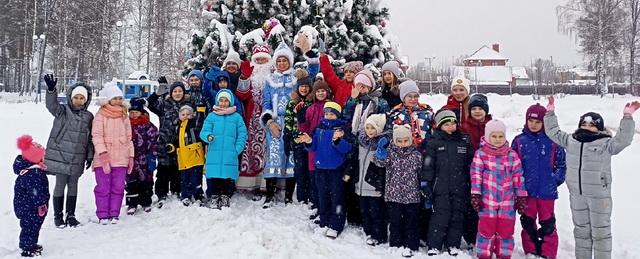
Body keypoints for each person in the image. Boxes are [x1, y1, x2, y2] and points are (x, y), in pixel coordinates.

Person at [543, 97, 639, 259]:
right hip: (577, 195)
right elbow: (553, 132)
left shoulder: (606, 143)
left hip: (599, 196)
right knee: (581, 231)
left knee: (601, 232)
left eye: (592, 125)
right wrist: (550, 113)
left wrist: (627, 118)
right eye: (584, 124)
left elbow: (624, 139)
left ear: (599, 128)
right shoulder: (571, 140)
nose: (587, 127)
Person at [260, 42, 318, 208]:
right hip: (275, 124)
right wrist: (269, 121)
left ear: (290, 62)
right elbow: (266, 102)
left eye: (285, 61)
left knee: (292, 157)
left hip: (294, 122)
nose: (281, 64)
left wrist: (310, 53)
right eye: (279, 61)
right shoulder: (270, 80)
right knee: (274, 156)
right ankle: (270, 196)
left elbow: (312, 74)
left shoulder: (296, 78)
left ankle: (288, 196)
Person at [512, 103, 566, 259]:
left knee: (548, 223)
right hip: (526, 192)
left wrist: (554, 180)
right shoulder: (520, 141)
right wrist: (518, 184)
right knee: (528, 222)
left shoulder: (553, 141)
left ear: (544, 123)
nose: (534, 125)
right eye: (531, 121)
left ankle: (548, 252)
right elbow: (513, 165)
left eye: (537, 122)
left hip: (546, 192)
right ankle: (531, 250)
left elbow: (562, 164)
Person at [470, 119, 527, 259]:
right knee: (486, 230)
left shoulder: (511, 154)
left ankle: (504, 254)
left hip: (507, 201)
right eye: (494, 136)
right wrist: (476, 194)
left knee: (506, 230)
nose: (497, 140)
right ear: (488, 136)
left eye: (500, 136)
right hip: (487, 200)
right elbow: (476, 175)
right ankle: (484, 254)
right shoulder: (481, 154)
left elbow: (518, 176)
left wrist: (521, 196)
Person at [43, 74, 94, 228]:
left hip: (77, 157)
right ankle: (58, 217)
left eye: (81, 98)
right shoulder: (62, 111)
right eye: (76, 97)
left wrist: (90, 156)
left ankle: (70, 215)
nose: (78, 100)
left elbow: (91, 138)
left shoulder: (89, 117)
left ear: (86, 100)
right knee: (60, 185)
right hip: (60, 155)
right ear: (71, 98)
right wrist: (51, 90)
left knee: (73, 186)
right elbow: (51, 105)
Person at [297, 101, 352, 239]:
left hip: (336, 169)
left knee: (337, 198)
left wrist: (338, 141)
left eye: (332, 114)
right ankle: (324, 219)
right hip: (320, 168)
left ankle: (336, 224)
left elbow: (347, 149)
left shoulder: (342, 130)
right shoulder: (318, 128)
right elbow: (313, 147)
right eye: (327, 113)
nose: (328, 116)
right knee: (322, 196)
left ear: (337, 115)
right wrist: (309, 141)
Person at [422, 110, 474, 256]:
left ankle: (453, 244)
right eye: (446, 124)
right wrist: (426, 184)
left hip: (460, 187)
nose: (451, 126)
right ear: (439, 126)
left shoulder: (464, 141)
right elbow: (428, 165)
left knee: (457, 216)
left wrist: (471, 182)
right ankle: (434, 245)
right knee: (440, 216)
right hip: (440, 187)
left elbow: (470, 164)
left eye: (453, 123)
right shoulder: (434, 142)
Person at [374, 124, 422, 258]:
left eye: (405, 140)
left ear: (410, 140)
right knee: (395, 221)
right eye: (399, 141)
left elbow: (421, 172)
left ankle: (411, 245)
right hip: (394, 195)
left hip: (412, 195)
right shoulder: (390, 153)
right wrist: (380, 153)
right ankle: (395, 244)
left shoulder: (416, 155)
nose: (402, 144)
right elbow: (379, 163)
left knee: (411, 221)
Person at [92, 83, 135, 225]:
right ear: (108, 99)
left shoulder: (124, 115)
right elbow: (96, 135)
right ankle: (103, 214)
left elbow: (129, 138)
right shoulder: (101, 115)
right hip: (103, 158)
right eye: (114, 98)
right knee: (103, 187)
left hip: (121, 158)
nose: (117, 101)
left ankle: (114, 213)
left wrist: (131, 157)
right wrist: (102, 154)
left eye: (119, 98)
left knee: (118, 187)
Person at [200, 90, 248, 209]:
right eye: (221, 100)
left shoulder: (237, 117)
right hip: (214, 152)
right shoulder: (212, 116)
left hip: (230, 153)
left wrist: (237, 149)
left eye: (226, 100)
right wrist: (208, 136)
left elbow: (242, 134)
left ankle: (225, 196)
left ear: (230, 102)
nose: (223, 103)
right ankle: (215, 196)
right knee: (215, 176)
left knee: (227, 177)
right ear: (217, 101)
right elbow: (204, 131)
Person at [347, 113, 388, 246]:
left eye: (373, 128)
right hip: (361, 183)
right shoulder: (361, 142)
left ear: (380, 129)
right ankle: (368, 231)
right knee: (364, 211)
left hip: (374, 185)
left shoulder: (383, 144)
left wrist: (381, 185)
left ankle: (379, 235)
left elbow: (384, 167)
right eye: (368, 127)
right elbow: (355, 160)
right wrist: (350, 174)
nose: (370, 131)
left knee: (376, 212)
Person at [235, 44, 272, 193]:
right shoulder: (250, 75)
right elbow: (241, 95)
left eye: (264, 59)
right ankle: (251, 183)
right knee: (251, 151)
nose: (261, 61)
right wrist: (244, 77)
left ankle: (266, 184)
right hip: (252, 120)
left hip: (269, 119)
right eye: (258, 59)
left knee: (267, 150)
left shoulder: (273, 75)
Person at [147, 81, 190, 207]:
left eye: (180, 91)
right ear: (171, 93)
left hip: (181, 143)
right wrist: (156, 94)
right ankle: (162, 193)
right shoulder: (164, 104)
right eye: (175, 91)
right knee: (163, 170)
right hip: (164, 142)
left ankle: (176, 190)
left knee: (178, 168)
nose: (177, 93)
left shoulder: (187, 105)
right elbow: (149, 104)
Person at [459, 93, 491, 248]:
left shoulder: (492, 126)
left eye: (480, 108)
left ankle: (486, 234)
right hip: (469, 173)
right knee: (471, 206)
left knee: (486, 206)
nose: (477, 111)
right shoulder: (464, 127)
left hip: (489, 174)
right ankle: (471, 237)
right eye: (474, 108)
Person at [13, 135, 49, 257]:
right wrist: (41, 204)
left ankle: (31, 244)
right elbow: (36, 192)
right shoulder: (33, 174)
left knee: (32, 226)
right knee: (30, 228)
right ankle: (27, 248)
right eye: (42, 156)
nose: (44, 157)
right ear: (35, 159)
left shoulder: (31, 169)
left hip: (27, 206)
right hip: (30, 208)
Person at [284, 69, 314, 205]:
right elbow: (289, 120)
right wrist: (287, 136)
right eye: (301, 86)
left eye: (306, 87)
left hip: (310, 140)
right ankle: (302, 197)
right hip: (297, 140)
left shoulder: (311, 103)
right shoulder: (292, 103)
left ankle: (312, 196)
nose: (304, 89)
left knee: (310, 169)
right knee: (300, 169)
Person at [167, 105, 206, 207]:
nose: (185, 116)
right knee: (185, 179)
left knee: (196, 178)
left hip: (194, 156)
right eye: (183, 114)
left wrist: (201, 112)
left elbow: (200, 124)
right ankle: (186, 196)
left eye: (188, 114)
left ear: (192, 115)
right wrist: (171, 147)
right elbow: (175, 140)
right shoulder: (178, 127)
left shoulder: (193, 124)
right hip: (183, 158)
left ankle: (198, 196)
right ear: (179, 116)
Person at [125, 98, 159, 215]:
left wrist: (152, 156)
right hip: (130, 159)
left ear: (141, 112)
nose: (134, 115)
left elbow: (154, 142)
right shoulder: (125, 124)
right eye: (131, 112)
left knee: (146, 181)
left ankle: (146, 201)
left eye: (136, 112)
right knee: (131, 181)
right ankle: (132, 203)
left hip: (144, 158)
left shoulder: (148, 126)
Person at [386, 80, 434, 153]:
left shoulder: (427, 111)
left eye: (416, 96)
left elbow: (435, 129)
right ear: (403, 98)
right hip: (403, 154)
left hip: (425, 151)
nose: (413, 99)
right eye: (410, 96)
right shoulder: (395, 113)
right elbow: (389, 132)